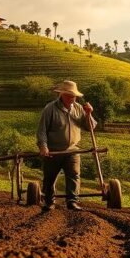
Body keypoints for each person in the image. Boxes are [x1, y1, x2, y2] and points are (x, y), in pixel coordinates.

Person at [36, 80, 95, 212]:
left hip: (72, 149)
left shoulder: (79, 108)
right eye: (69, 95)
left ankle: (72, 201)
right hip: (53, 150)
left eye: (74, 96)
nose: (72, 98)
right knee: (50, 177)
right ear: (61, 94)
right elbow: (42, 130)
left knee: (74, 175)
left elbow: (90, 127)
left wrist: (89, 114)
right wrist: (43, 146)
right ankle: (49, 201)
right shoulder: (50, 109)